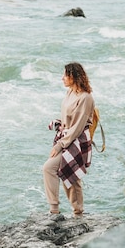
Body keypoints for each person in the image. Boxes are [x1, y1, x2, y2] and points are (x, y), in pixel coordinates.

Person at [43, 62, 95, 217]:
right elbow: (70, 117)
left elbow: (78, 126)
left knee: (52, 168)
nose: (62, 78)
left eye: (66, 75)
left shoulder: (85, 98)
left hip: (77, 140)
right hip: (67, 136)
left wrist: (59, 145)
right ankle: (74, 211)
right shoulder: (71, 92)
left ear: (74, 76)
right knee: (68, 173)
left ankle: (61, 211)